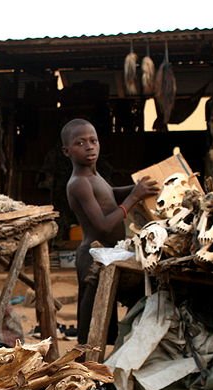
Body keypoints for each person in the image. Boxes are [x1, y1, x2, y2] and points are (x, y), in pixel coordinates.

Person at [63, 118, 160, 345]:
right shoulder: (78, 183)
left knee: (105, 316)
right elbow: (103, 225)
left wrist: (136, 189)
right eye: (80, 143)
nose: (89, 146)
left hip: (108, 255)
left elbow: (111, 193)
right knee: (91, 324)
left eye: (93, 140)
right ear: (66, 151)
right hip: (92, 257)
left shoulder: (94, 176)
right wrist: (134, 198)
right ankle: (86, 371)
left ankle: (103, 366)